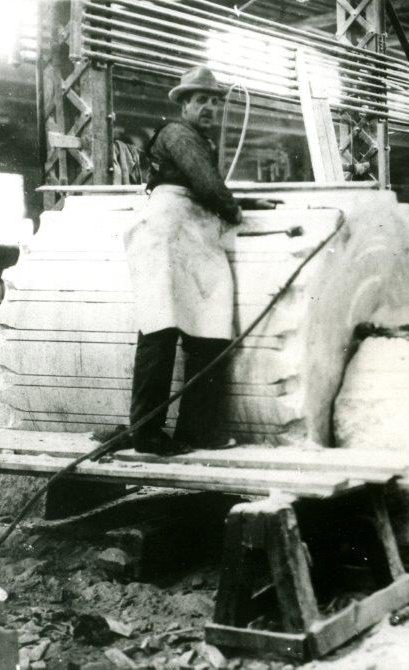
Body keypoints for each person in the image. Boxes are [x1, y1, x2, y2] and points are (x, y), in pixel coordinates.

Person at [124, 65, 244, 455]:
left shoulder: (199, 139)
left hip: (191, 234)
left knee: (209, 331)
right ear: (185, 104)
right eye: (201, 100)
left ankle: (197, 430)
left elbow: (206, 185)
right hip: (167, 232)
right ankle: (146, 433)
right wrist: (235, 211)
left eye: (215, 101)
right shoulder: (179, 134)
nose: (209, 107)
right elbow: (207, 184)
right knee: (160, 330)